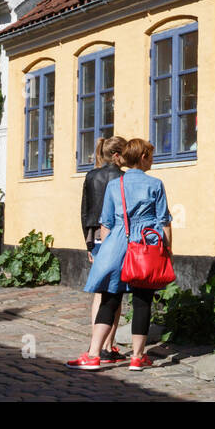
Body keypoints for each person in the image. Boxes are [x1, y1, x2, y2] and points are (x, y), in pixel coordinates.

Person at [68, 139, 172, 371]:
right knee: (142, 301)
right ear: (143, 157)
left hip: (116, 242)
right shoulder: (155, 184)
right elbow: (163, 220)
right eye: (151, 155)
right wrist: (167, 250)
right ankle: (136, 357)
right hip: (146, 243)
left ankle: (94, 355)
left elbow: (106, 222)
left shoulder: (116, 185)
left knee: (109, 299)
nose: (153, 159)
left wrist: (107, 250)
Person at [71, 136, 126, 366]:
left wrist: (89, 245)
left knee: (99, 292)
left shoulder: (92, 176)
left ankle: (95, 343)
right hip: (117, 236)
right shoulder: (123, 178)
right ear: (117, 155)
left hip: (95, 236)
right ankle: (107, 345)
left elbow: (85, 211)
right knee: (115, 292)